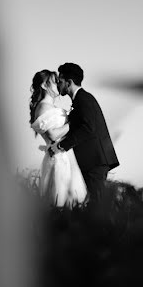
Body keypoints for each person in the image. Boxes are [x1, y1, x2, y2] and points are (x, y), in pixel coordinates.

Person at [48, 63, 119, 203]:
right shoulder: (81, 99)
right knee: (96, 202)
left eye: (60, 81)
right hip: (94, 160)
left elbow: (88, 128)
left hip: (95, 161)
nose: (58, 85)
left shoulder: (83, 99)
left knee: (99, 203)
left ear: (69, 83)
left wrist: (61, 146)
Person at [29, 70, 88, 207]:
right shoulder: (43, 107)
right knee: (60, 200)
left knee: (73, 200)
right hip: (58, 158)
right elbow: (53, 135)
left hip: (66, 156)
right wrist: (74, 122)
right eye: (54, 81)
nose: (57, 83)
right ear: (44, 85)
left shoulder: (51, 107)